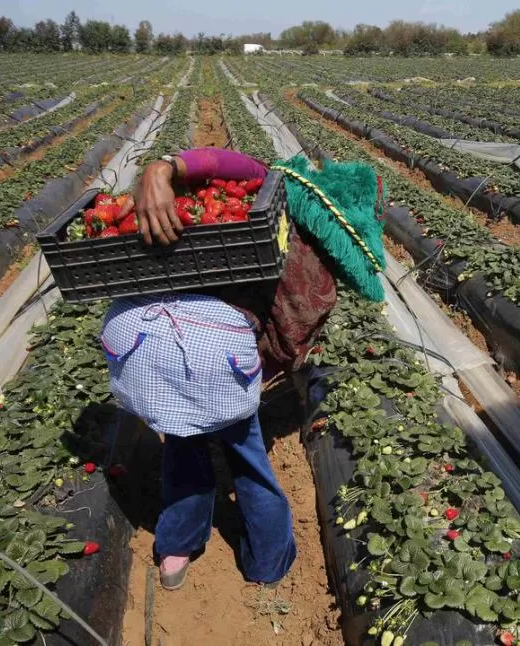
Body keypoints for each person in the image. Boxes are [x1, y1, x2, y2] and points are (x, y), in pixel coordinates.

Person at [101, 148, 385, 590]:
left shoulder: (268, 190)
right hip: (221, 353)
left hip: (144, 347)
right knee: (245, 454)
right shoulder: (310, 256)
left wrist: (162, 167)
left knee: (183, 443)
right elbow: (286, 331)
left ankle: (177, 548)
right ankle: (267, 562)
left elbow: (218, 162)